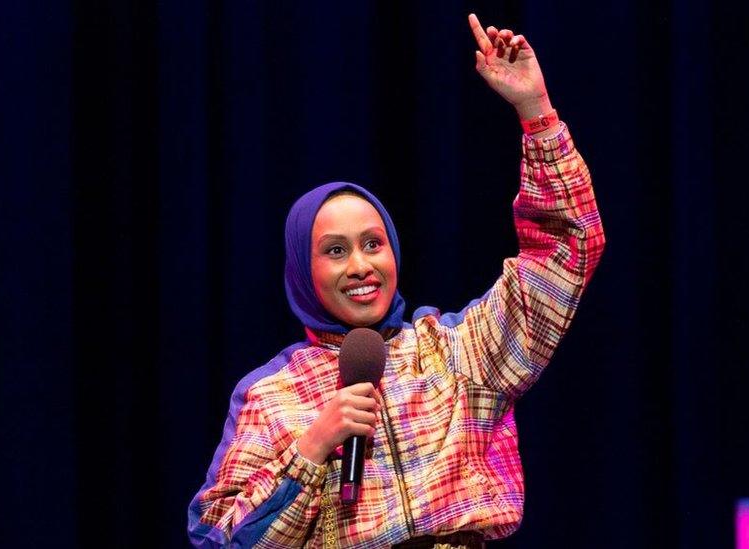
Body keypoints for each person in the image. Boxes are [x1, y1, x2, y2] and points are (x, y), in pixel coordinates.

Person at [188, 13, 605, 548]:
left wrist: (535, 110)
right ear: (302, 270)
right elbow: (217, 539)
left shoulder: (459, 353)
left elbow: (567, 249)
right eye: (335, 251)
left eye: (373, 244)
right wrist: (312, 447)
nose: (360, 266)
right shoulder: (272, 397)